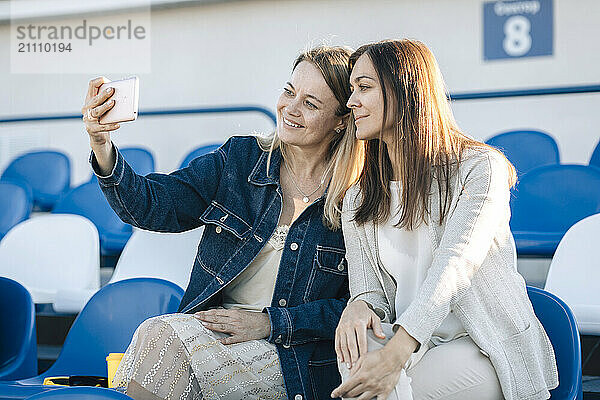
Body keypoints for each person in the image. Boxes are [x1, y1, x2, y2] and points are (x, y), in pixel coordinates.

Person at [81, 45, 364, 400]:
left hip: (292, 355)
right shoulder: (240, 160)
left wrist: (270, 323)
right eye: (289, 92)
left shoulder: (357, 197)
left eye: (310, 103)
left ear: (341, 120)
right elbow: (152, 205)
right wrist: (101, 144)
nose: (290, 109)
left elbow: (359, 305)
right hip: (214, 334)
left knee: (162, 338)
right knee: (159, 337)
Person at [330, 39, 558, 400]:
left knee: (395, 393)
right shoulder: (359, 196)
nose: (350, 101)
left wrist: (397, 352)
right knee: (355, 365)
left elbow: (455, 265)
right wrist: (357, 307)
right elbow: (370, 291)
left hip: (481, 343)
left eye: (364, 87)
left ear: (405, 90)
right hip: (411, 342)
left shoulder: (480, 168)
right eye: (351, 89)